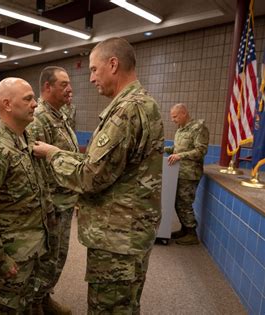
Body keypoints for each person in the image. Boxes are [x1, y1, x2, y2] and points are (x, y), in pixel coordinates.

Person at [33, 37, 164, 314]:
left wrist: (52, 154)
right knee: (126, 304)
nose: (91, 78)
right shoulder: (142, 103)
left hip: (117, 238)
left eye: (94, 69)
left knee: (111, 307)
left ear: (113, 65)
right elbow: (103, 165)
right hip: (127, 231)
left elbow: (91, 176)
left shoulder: (125, 111)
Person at [0, 77, 50, 314]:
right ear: (7, 104)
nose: (35, 104)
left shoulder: (27, 139)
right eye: (28, 99)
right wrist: (2, 258)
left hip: (35, 247)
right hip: (13, 256)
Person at [28, 66, 79, 315]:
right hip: (52, 204)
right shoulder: (39, 118)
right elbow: (35, 167)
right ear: (47, 87)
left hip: (65, 200)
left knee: (58, 256)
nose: (70, 89)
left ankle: (45, 296)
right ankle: (36, 303)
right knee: (48, 257)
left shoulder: (59, 115)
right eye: (63, 84)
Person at [165, 103, 209, 245]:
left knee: (185, 203)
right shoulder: (181, 129)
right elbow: (178, 149)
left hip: (190, 173)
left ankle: (191, 234)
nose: (173, 120)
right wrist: (165, 149)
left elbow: (201, 150)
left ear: (184, 113)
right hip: (179, 171)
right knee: (178, 203)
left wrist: (180, 156)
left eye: (175, 116)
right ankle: (184, 229)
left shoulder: (198, 128)